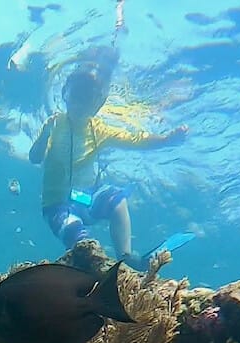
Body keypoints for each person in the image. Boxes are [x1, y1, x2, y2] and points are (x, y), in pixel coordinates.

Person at [29, 59, 188, 269]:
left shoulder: (99, 129)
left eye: (84, 100)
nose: (77, 105)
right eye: (74, 96)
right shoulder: (55, 124)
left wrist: (166, 139)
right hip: (57, 205)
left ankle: (126, 257)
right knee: (82, 243)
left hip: (88, 198)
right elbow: (35, 157)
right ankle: (97, 267)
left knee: (117, 200)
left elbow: (135, 140)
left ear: (97, 104)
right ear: (65, 95)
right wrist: (44, 136)